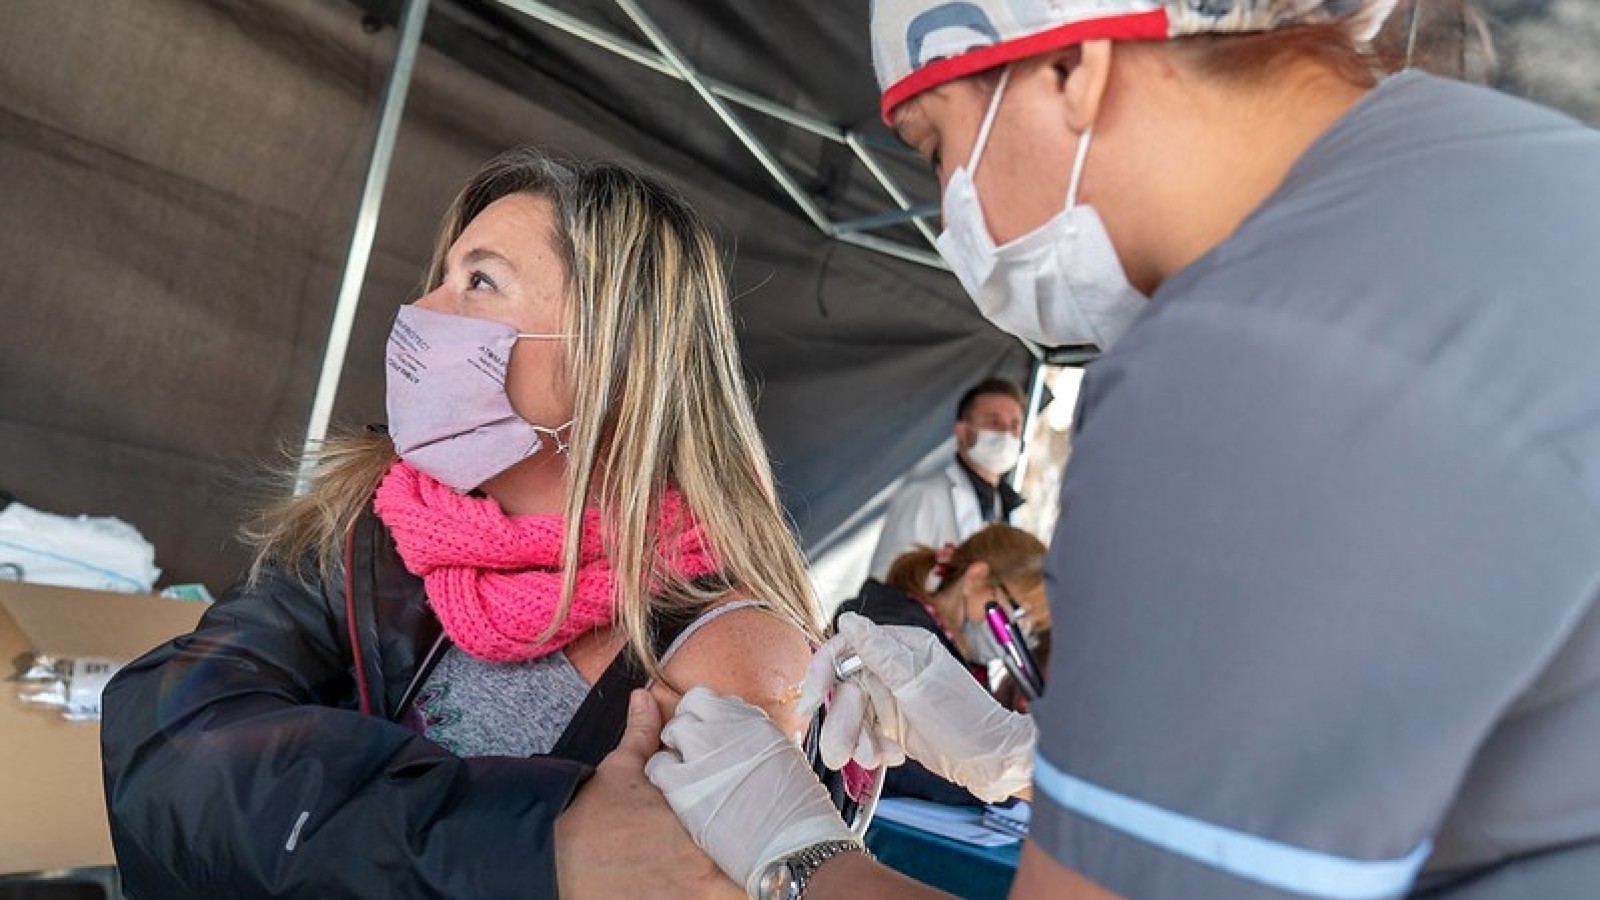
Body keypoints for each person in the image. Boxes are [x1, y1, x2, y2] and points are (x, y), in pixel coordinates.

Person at [633, 1, 1600, 898]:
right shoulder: (1513, 178)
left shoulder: (1256, 356)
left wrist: (796, 856)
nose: (948, 215)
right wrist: (1031, 758)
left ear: (1072, 63)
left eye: (937, 150)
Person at [98, 148, 827, 900]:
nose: (420, 313)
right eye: (441, 279)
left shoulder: (725, 647)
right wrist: (536, 848)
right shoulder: (376, 525)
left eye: (479, 282)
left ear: (614, 358)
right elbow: (170, 736)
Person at [840, 523, 1047, 804]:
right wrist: (1004, 785)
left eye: (1031, 627)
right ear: (976, 578)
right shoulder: (901, 632)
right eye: (1020, 612)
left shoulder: (967, 664)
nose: (1020, 631)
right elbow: (913, 763)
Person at [868, 378, 1027, 578]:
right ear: (962, 431)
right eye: (994, 422)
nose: (1006, 434)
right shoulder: (922, 496)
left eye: (1015, 425)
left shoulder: (1008, 508)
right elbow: (886, 582)